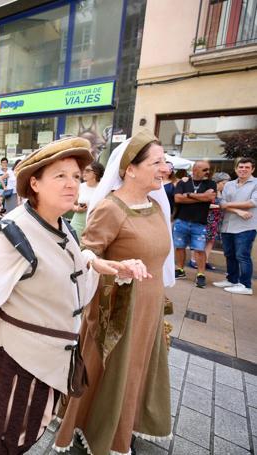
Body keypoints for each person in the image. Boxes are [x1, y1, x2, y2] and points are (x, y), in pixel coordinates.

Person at [0, 137, 144, 455]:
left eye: (75, 176)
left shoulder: (62, 226)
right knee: (6, 442)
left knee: (25, 434)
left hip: (51, 360)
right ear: (35, 183)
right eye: (60, 176)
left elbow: (65, 266)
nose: (72, 184)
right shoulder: (13, 234)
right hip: (20, 362)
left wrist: (97, 264)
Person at [54, 130, 174, 455]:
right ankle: (94, 426)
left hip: (147, 308)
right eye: (157, 162)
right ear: (130, 168)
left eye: (165, 161)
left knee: (136, 369)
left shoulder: (155, 206)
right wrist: (115, 268)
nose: (165, 168)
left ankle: (127, 423)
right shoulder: (111, 208)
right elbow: (86, 254)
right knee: (111, 370)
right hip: (117, 309)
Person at [213, 158, 257, 295]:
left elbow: (253, 203)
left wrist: (228, 205)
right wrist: (237, 210)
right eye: (241, 167)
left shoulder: (256, 183)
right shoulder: (229, 184)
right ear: (236, 168)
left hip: (246, 227)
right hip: (227, 225)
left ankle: (245, 285)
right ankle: (232, 280)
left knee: (242, 256)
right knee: (229, 254)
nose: (243, 169)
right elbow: (222, 203)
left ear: (252, 169)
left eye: (247, 167)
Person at [173, 161, 216, 288]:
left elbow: (209, 198)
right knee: (180, 247)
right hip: (182, 221)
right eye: (204, 170)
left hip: (200, 223)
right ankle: (180, 270)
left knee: (199, 249)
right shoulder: (183, 182)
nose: (208, 172)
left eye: (208, 169)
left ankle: (200, 274)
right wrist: (201, 197)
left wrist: (189, 195)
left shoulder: (211, 183)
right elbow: (178, 199)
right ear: (195, 169)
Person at [201, 172, 231, 271]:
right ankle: (195, 261)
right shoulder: (210, 190)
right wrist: (219, 206)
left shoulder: (222, 193)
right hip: (207, 219)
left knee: (211, 241)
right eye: (224, 183)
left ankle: (205, 261)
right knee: (203, 240)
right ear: (218, 182)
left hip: (217, 220)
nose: (226, 185)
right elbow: (203, 204)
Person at [70, 161, 105, 241]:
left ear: (96, 173)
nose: (84, 173)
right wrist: (76, 209)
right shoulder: (80, 187)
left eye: (88, 170)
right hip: (77, 223)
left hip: (95, 226)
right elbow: (70, 203)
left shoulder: (103, 189)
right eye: (84, 170)